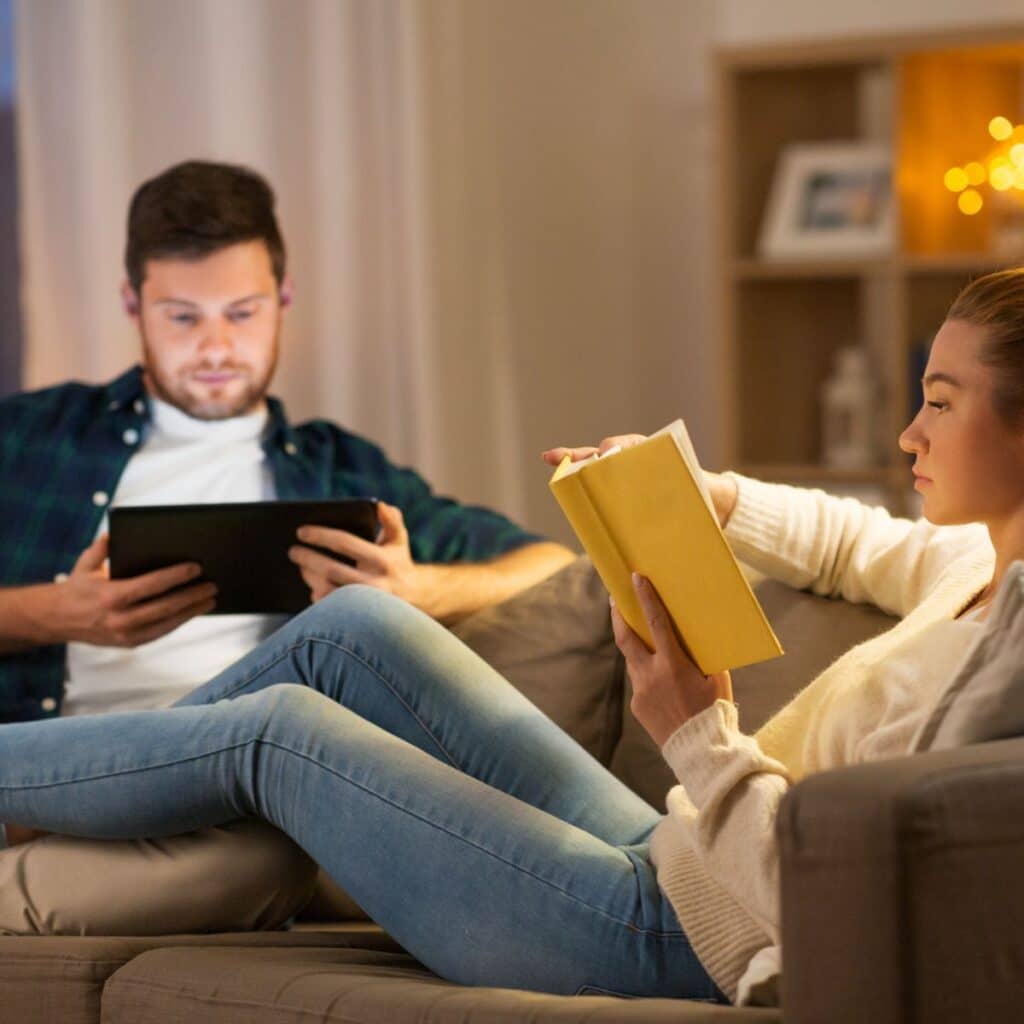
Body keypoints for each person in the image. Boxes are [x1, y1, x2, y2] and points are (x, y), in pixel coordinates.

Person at [0, 266, 1019, 1003]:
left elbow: (837, 901)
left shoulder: (1008, 661)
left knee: (280, 735)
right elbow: (849, 544)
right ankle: (63, 800)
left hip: (675, 935)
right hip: (670, 851)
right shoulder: (977, 562)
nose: (906, 435)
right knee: (353, 624)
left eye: (937, 402)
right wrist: (702, 497)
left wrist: (697, 733)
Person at [0, 159, 572, 934]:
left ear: (284, 300)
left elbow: (552, 565)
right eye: (182, 317)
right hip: (47, 766)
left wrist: (414, 595)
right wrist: (52, 614)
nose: (214, 346)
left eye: (242, 313)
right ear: (132, 305)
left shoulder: (337, 469)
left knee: (271, 852)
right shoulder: (30, 439)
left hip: (223, 800)